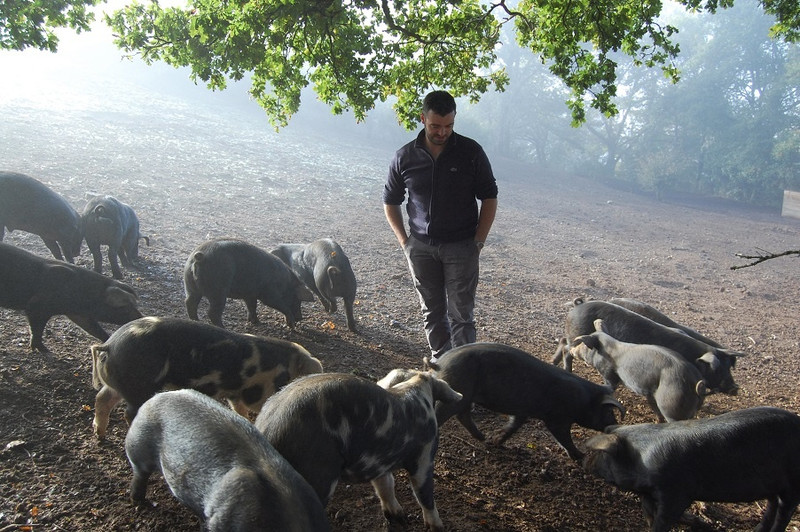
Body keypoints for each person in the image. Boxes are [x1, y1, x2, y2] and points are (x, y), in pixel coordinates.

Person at [383, 90, 498, 363]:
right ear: (423, 119)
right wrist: (404, 242)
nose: (442, 132)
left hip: (462, 247)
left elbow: (490, 198)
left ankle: (464, 369)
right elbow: (390, 201)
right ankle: (441, 363)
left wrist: (478, 242)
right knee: (431, 312)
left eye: (449, 126)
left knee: (462, 315)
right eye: (436, 126)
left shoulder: (471, 152)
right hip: (420, 247)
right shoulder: (405, 157)